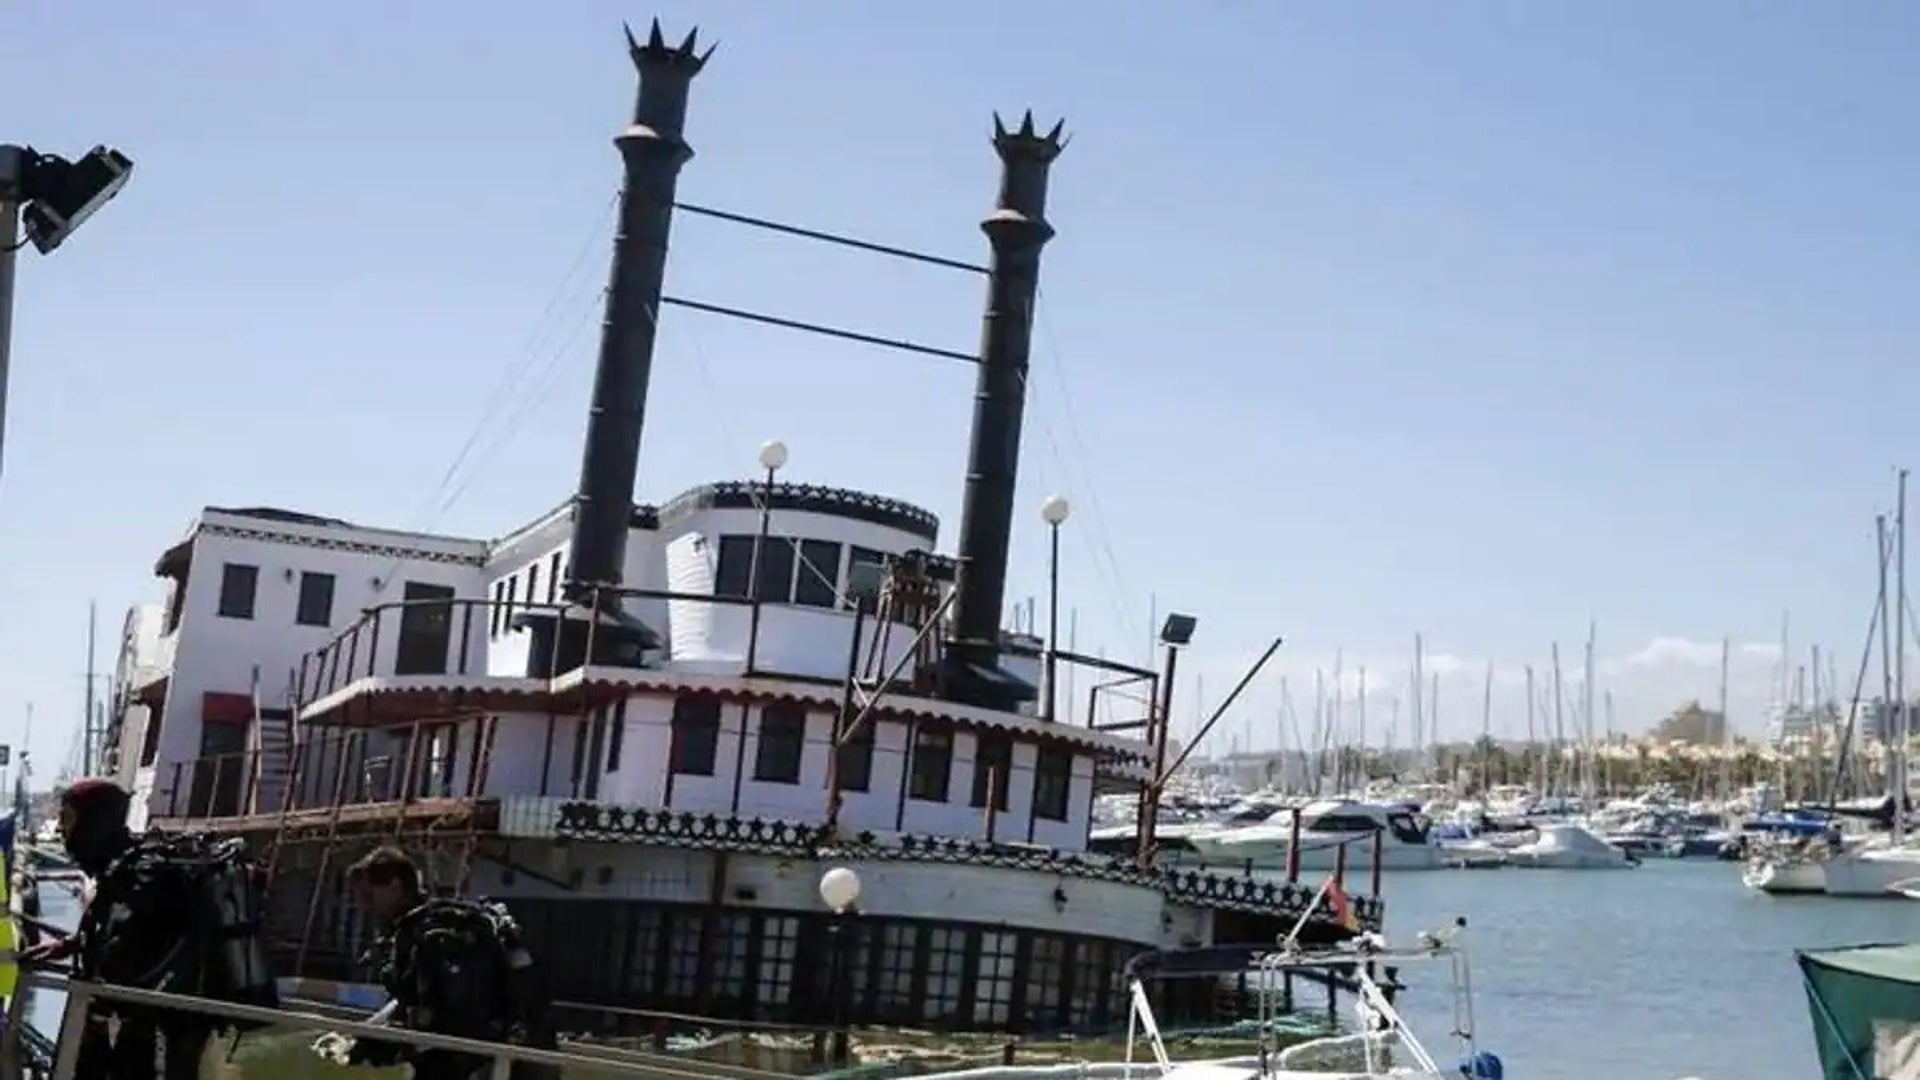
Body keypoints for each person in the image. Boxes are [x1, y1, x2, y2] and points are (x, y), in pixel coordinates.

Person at [21, 778, 277, 1079]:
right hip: (154, 1023)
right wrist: (70, 945)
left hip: (155, 1027)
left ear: (93, 821)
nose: (61, 829)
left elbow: (130, 951)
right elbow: (119, 934)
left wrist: (102, 1006)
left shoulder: (138, 876)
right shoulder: (126, 867)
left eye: (68, 819)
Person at [317, 846, 559, 1080]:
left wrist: (379, 1046)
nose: (364, 906)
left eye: (369, 896)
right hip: (511, 1053)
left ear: (395, 886)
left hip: (481, 1061)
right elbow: (409, 1000)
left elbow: (446, 1020)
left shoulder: (431, 937)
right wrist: (361, 1035)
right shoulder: (434, 928)